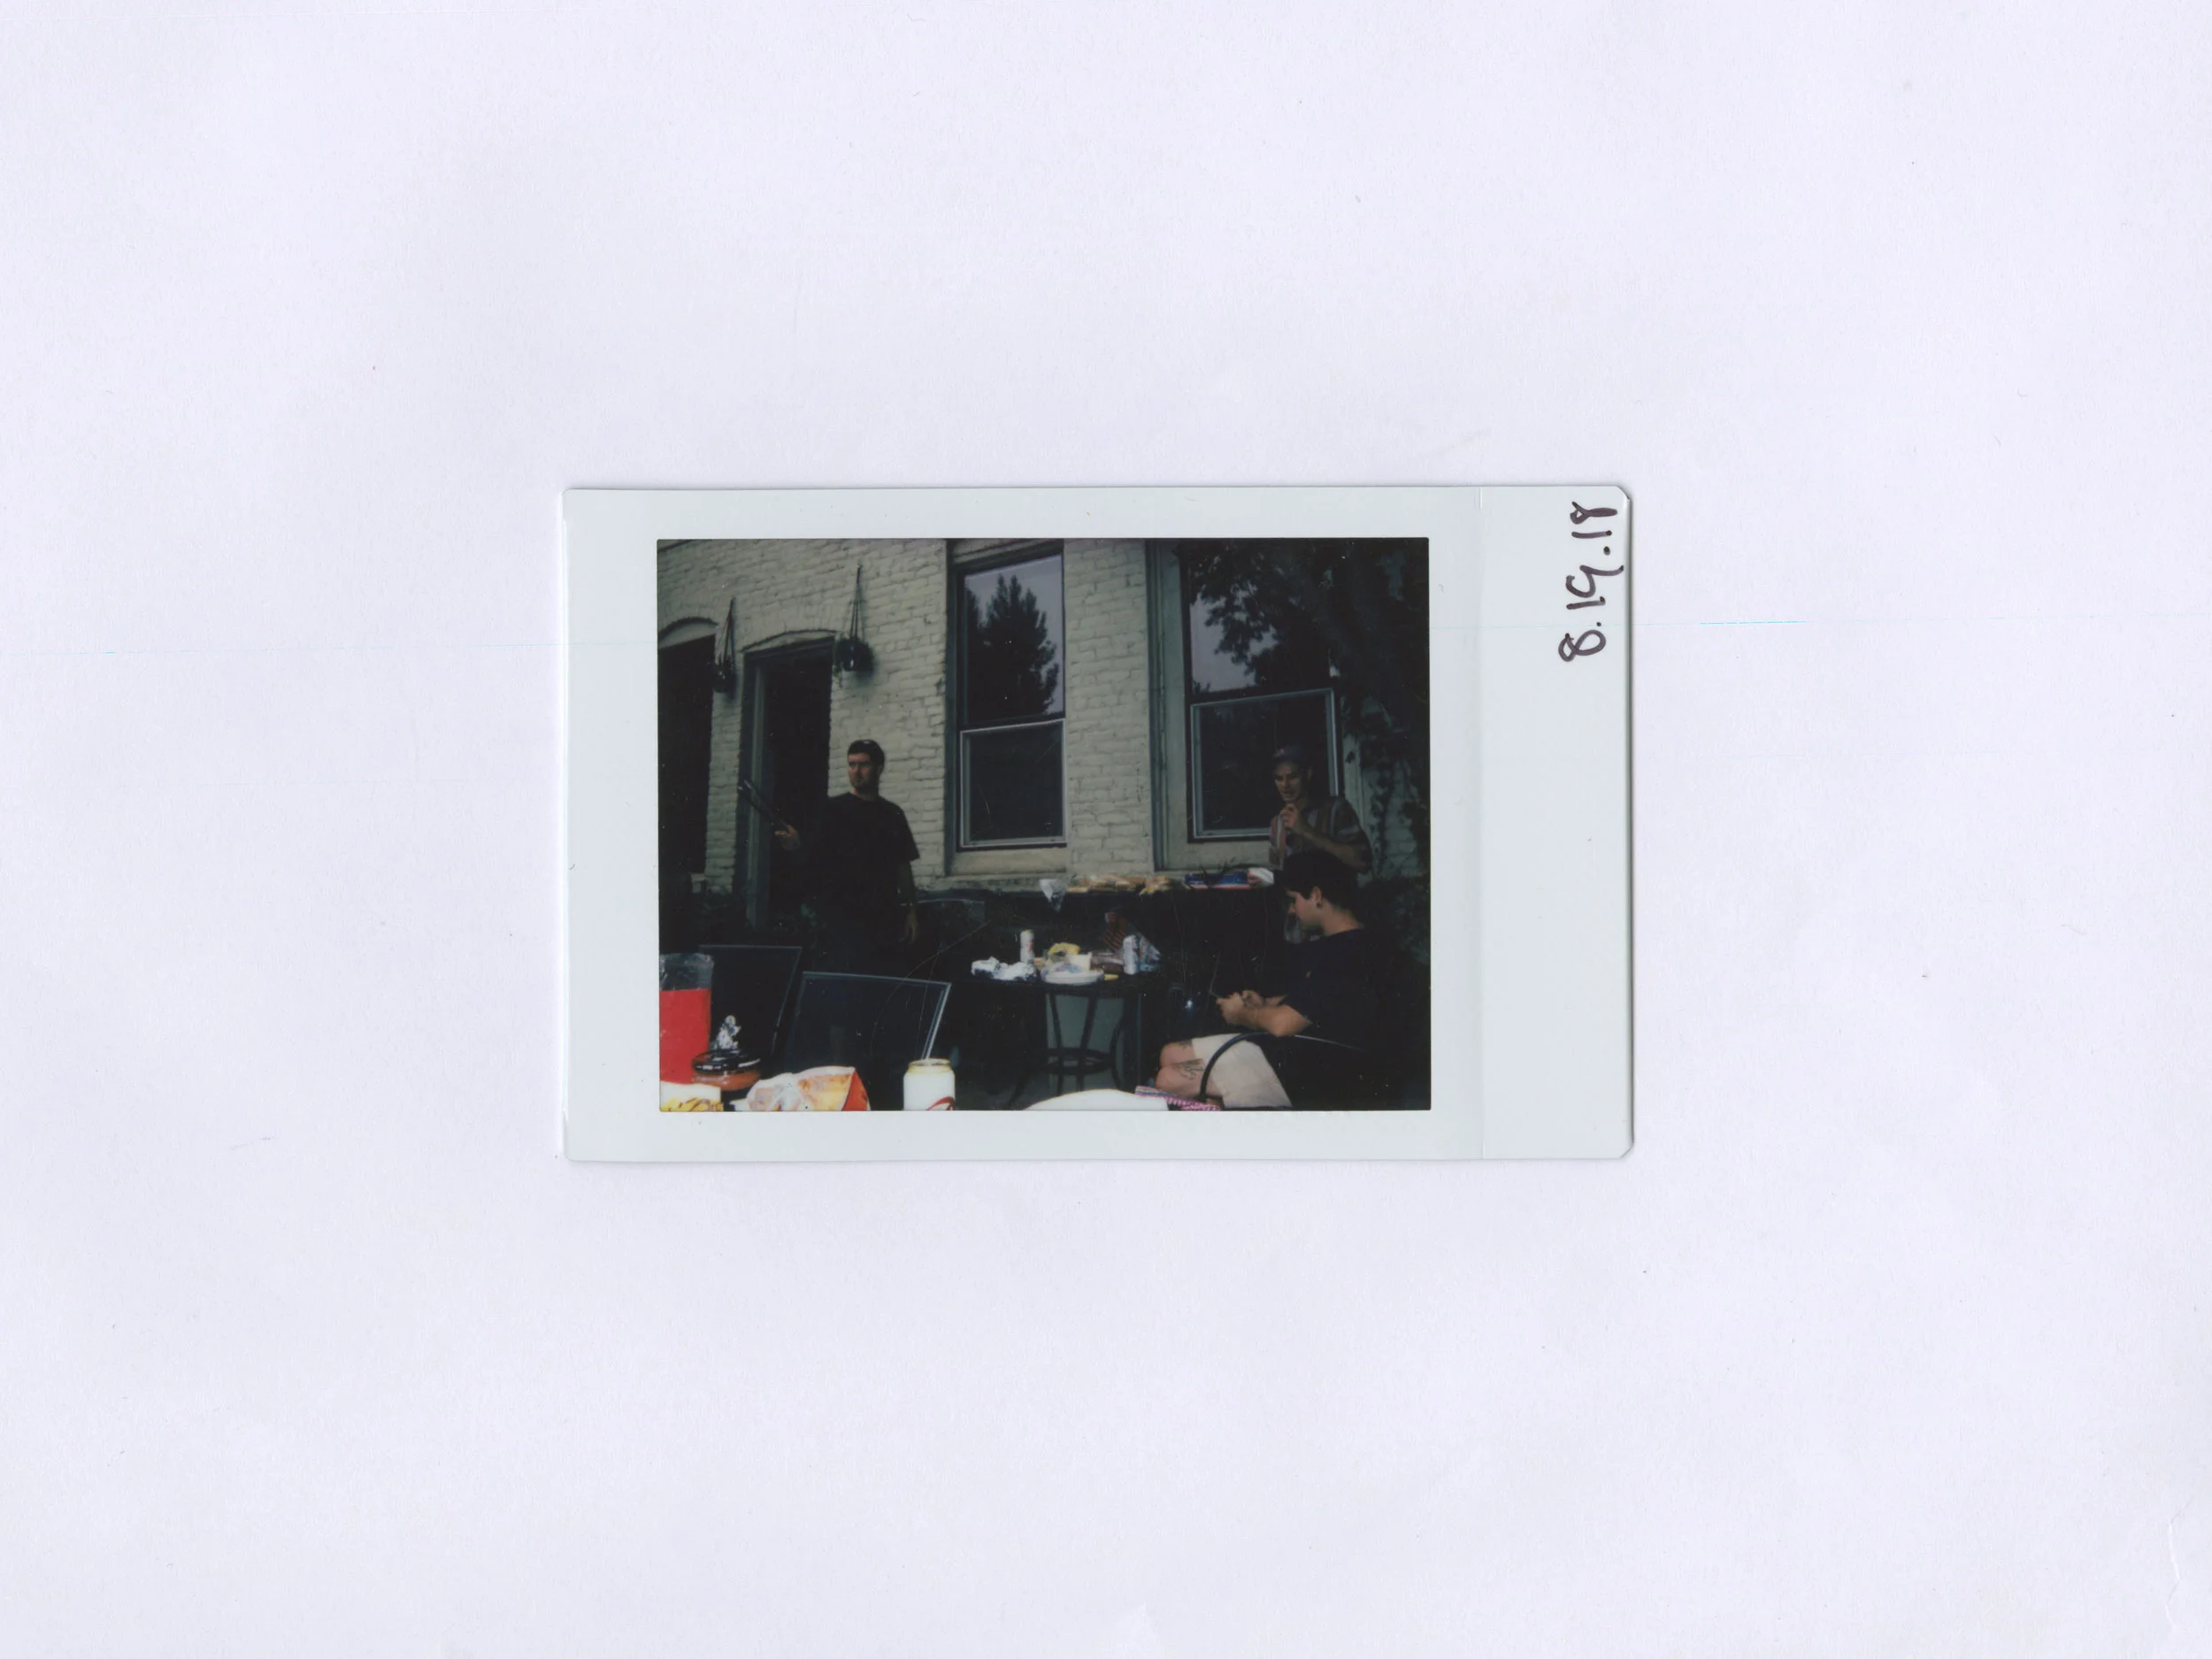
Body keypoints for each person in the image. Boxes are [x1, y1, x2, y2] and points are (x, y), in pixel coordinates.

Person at [1154, 850, 1380, 1107]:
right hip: (1295, 1052)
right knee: (1170, 1054)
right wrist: (1266, 1004)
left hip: (1310, 1073)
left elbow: (1283, 1024)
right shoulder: (1345, 942)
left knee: (1168, 1079)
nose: (1292, 910)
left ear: (1316, 895)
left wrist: (1243, 1015)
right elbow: (1321, 1000)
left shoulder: (1347, 954)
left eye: (1294, 900)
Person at [773, 739, 920, 975]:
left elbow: (903, 865)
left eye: (864, 765)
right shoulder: (832, 810)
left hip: (883, 917)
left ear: (879, 768)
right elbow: (812, 858)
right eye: (852, 765)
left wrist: (911, 911)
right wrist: (796, 847)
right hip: (842, 922)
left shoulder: (892, 814)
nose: (856, 771)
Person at [1266, 743, 1371, 875]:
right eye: (1279, 779)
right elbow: (1278, 873)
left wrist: (1308, 832)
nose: (1285, 785)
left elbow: (1363, 862)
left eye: (1292, 777)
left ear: (1308, 774)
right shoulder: (1277, 823)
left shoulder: (1335, 809)